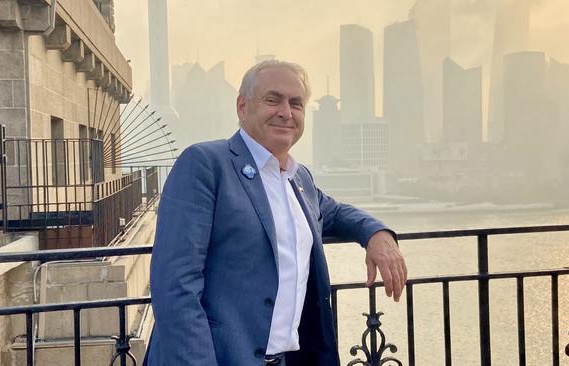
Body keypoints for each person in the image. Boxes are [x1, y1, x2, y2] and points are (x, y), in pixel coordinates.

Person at [143, 60, 407, 366]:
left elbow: (334, 213)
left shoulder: (299, 178)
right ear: (242, 107)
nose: (286, 112)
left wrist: (377, 234)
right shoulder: (205, 165)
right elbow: (176, 286)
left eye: (296, 103)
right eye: (273, 100)